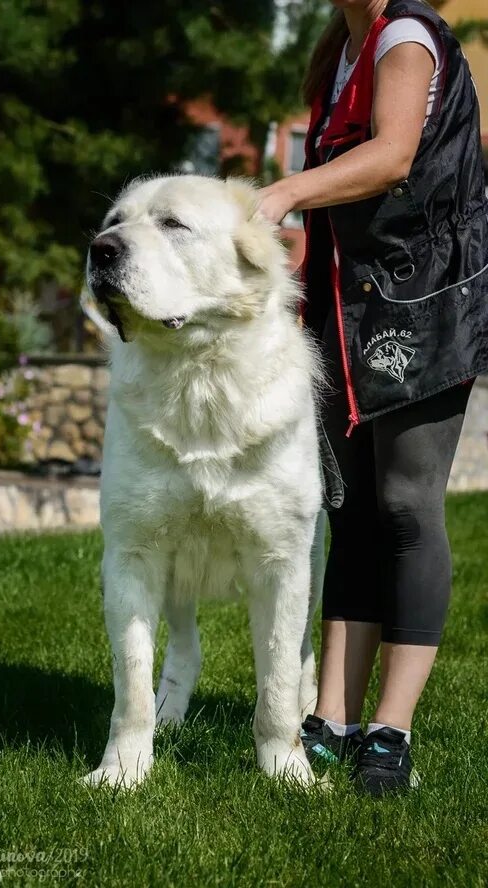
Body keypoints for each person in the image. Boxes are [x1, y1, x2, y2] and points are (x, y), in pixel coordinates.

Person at [258, 0, 488, 796]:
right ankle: (332, 720)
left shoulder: (406, 36)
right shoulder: (343, 50)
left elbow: (392, 156)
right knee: (348, 504)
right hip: (343, 308)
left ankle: (390, 734)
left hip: (422, 306)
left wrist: (285, 192)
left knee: (405, 504)